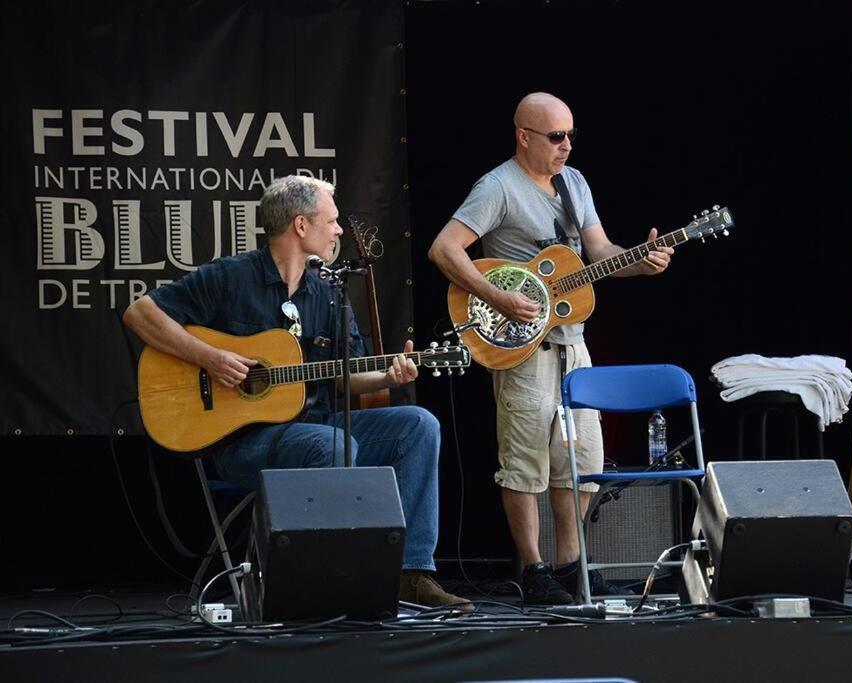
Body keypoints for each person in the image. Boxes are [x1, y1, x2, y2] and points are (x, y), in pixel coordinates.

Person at [124, 175, 467, 609]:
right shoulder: (232, 277)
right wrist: (211, 358)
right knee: (333, 443)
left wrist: (388, 376)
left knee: (418, 425)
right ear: (301, 226)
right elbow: (140, 314)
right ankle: (332, 579)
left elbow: (345, 377)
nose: (340, 230)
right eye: (333, 220)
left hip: (317, 426)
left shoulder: (328, 295)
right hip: (244, 443)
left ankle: (411, 573)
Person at [428, 92, 674, 604]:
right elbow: (444, 248)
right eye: (556, 137)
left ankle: (569, 565)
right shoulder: (497, 186)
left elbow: (599, 253)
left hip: (573, 343)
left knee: (583, 457)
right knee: (524, 461)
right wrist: (497, 295)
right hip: (522, 346)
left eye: (571, 136)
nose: (566, 146)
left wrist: (641, 259)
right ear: (523, 136)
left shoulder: (575, 182)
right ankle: (535, 571)